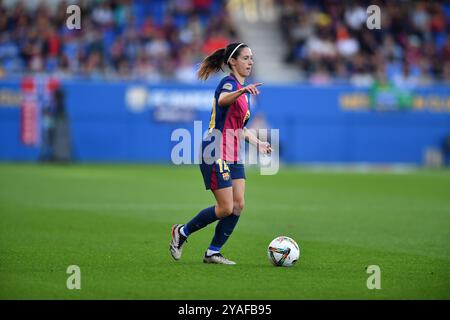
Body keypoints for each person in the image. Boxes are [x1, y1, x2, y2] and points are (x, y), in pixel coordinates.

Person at [169, 42, 271, 264]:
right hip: (215, 150)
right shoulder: (228, 84)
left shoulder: (245, 94)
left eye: (251, 58)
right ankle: (182, 233)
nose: (250, 61)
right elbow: (223, 100)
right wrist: (242, 90)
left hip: (233, 154)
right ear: (232, 61)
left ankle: (213, 252)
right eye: (245, 58)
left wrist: (258, 143)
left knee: (238, 205)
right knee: (225, 207)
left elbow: (239, 128)